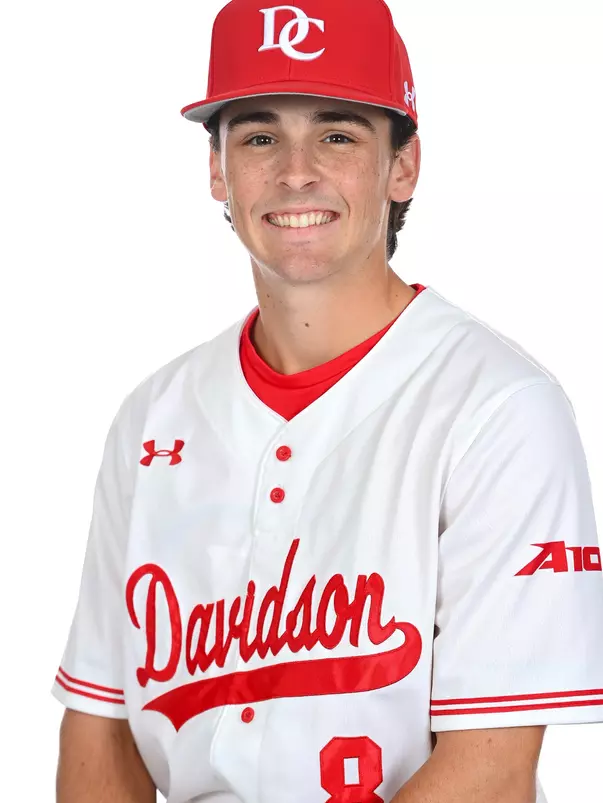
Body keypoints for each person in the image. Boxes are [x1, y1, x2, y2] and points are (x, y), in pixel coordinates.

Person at [52, 1, 603, 801]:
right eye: (259, 136)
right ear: (218, 170)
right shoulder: (153, 416)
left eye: (337, 135)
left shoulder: (499, 408)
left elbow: (489, 767)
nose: (295, 171)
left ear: (402, 165)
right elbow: (97, 724)